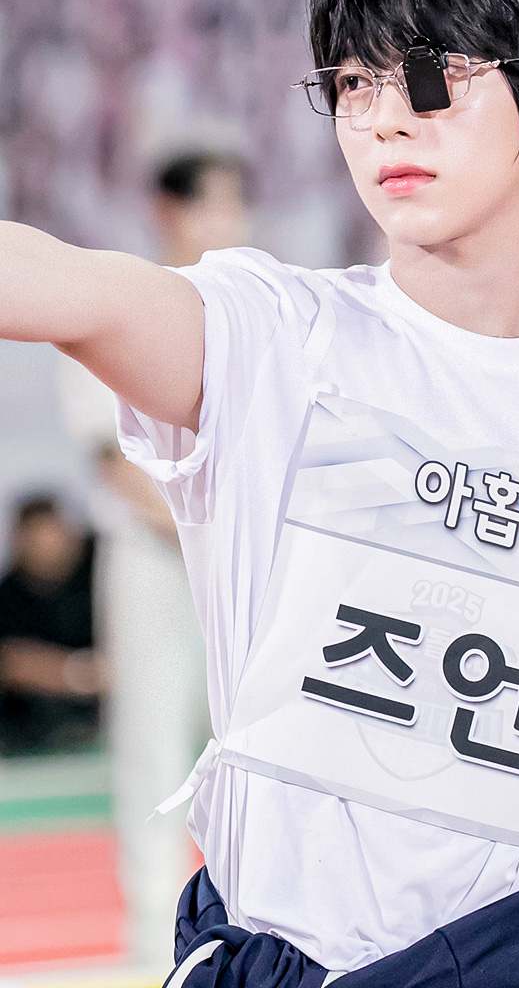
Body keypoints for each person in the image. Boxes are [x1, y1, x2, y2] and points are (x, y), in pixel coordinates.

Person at [0, 0, 519, 988]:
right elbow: (63, 286)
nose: (386, 119)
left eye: (435, 74)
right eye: (353, 82)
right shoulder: (271, 340)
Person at [58, 148, 251, 969]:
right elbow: (115, 463)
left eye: (237, 204)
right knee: (152, 748)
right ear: (168, 210)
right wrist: (204, 528)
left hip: (234, 562)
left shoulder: (254, 311)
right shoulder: (119, 300)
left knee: (249, 745)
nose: (229, 221)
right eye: (213, 203)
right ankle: (152, 945)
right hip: (152, 559)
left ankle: (255, 927)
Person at [0, 495, 102, 755]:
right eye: (39, 538)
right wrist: (78, 674)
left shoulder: (95, 581)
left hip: (97, 723)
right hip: (30, 733)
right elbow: (13, 662)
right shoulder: (8, 596)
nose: (50, 547)